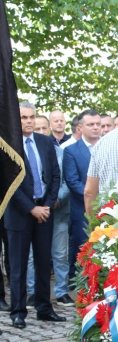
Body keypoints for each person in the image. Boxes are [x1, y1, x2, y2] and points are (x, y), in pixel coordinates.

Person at [4, 102, 66, 329]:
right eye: (23, 118)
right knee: (19, 265)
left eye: (31, 117)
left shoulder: (44, 141)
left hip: (45, 212)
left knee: (43, 262)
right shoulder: (7, 145)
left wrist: (47, 205)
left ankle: (44, 308)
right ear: (15, 120)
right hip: (20, 213)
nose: (28, 121)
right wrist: (31, 208)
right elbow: (8, 182)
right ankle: (18, 312)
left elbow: (55, 176)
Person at [27, 119, 73, 307]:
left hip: (58, 212)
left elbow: (66, 181)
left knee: (60, 254)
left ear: (49, 129)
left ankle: (62, 291)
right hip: (31, 213)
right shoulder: (23, 150)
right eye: (36, 128)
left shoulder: (61, 153)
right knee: (31, 256)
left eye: (43, 128)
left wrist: (54, 201)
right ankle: (33, 292)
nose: (40, 131)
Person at [64, 110, 101, 286]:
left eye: (97, 124)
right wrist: (94, 198)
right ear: (80, 127)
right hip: (82, 209)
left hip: (107, 208)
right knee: (81, 247)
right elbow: (72, 181)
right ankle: (80, 286)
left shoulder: (106, 146)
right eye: (90, 124)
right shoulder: (71, 151)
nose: (95, 128)